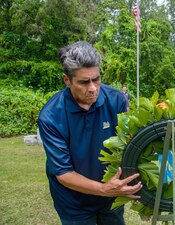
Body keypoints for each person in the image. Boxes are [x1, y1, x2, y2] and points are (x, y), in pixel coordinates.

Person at [38, 41, 142, 225]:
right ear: (66, 80)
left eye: (96, 79)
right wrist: (103, 188)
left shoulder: (116, 100)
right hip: (73, 202)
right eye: (84, 82)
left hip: (111, 195)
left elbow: (128, 143)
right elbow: (63, 173)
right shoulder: (51, 117)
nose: (93, 88)